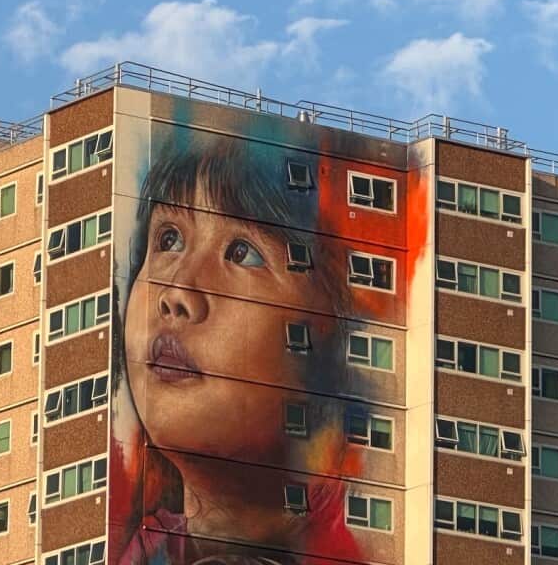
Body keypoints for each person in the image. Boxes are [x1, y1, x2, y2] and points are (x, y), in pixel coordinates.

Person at [112, 129, 370, 565]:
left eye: (242, 253)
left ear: (322, 331)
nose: (176, 292)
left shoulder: (354, 548)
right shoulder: (141, 550)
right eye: (169, 239)